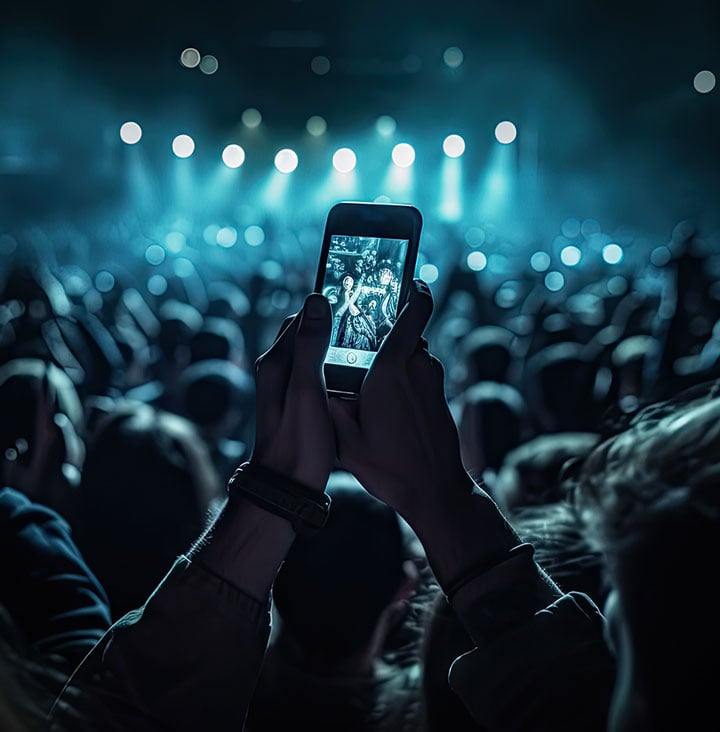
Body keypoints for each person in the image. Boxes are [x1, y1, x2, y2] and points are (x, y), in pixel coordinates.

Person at [47, 282, 616, 732]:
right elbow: (575, 710)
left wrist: (275, 492)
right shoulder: (444, 708)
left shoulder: (240, 701)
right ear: (404, 587)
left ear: (278, 580)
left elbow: (109, 717)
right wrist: (444, 496)